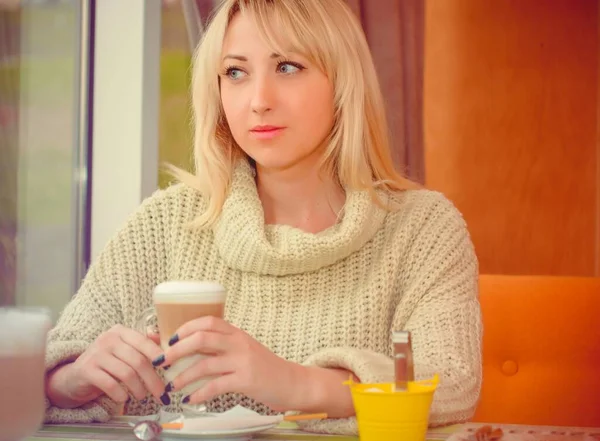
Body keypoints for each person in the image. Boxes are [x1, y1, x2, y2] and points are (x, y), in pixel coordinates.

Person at [43, 0, 482, 435]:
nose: (258, 101)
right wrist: (71, 381)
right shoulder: (165, 222)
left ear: (343, 82)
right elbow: (43, 376)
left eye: (288, 67)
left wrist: (294, 382)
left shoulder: (424, 228)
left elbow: (452, 383)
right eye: (235, 72)